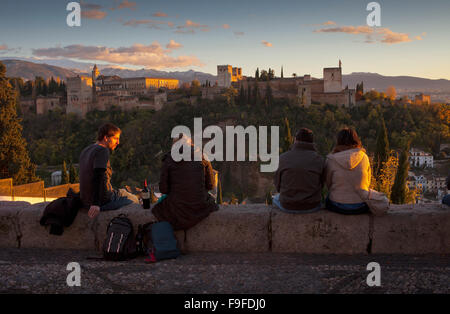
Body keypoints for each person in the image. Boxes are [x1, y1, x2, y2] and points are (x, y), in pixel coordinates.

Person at [151, 134, 219, 230]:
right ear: (190, 143)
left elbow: (164, 189)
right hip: (200, 205)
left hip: (177, 206)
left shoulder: (168, 159)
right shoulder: (203, 156)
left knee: (159, 209)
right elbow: (211, 185)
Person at [79, 123, 139, 219]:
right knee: (134, 199)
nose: (118, 142)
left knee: (122, 191)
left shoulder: (86, 150)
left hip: (85, 200)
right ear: (106, 138)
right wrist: (96, 204)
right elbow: (98, 176)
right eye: (115, 138)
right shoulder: (102, 150)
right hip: (104, 199)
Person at [273, 128, 325, 213]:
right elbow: (321, 184)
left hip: (288, 205)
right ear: (312, 142)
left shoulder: (283, 158)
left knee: (275, 198)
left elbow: (277, 185)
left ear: (295, 140)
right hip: (312, 205)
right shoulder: (319, 159)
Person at [324, 128, 371, 215]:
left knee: (326, 199)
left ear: (338, 141)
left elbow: (328, 183)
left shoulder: (331, 159)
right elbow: (368, 182)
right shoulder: (364, 157)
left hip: (337, 205)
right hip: (361, 205)